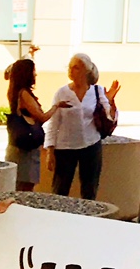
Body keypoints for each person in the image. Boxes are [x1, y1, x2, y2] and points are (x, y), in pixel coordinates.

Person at [44, 52, 118, 200]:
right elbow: (54, 122)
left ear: (86, 71)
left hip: (91, 145)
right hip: (65, 148)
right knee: (60, 190)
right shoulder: (62, 92)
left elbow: (110, 116)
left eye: (76, 68)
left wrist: (110, 101)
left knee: (89, 189)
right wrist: (49, 151)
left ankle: (87, 220)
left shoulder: (97, 91)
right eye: (70, 67)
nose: (71, 71)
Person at [4, 57, 46, 193]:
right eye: (33, 71)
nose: (35, 74)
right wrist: (57, 106)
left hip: (18, 146)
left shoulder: (15, 92)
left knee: (19, 186)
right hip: (26, 150)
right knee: (25, 187)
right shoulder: (24, 94)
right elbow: (41, 117)